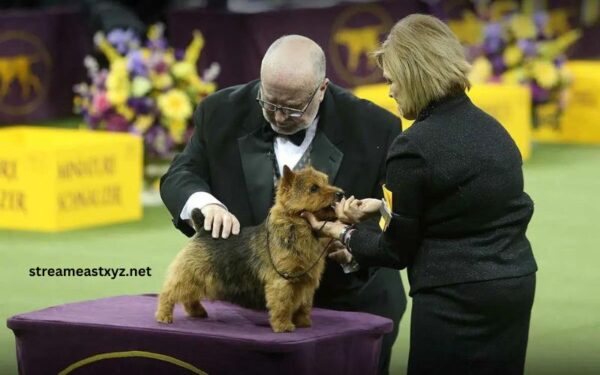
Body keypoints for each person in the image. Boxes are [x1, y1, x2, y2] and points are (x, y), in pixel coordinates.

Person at [302, 14, 538, 375]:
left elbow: (396, 251)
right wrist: (384, 207)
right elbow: (462, 207)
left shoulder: (413, 147)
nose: (390, 91)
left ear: (413, 77)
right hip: (514, 285)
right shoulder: (494, 131)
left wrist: (342, 232)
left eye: (393, 80)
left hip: (454, 298)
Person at [160, 34, 406, 374]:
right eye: (269, 102)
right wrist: (203, 203)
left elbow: (397, 216)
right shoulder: (218, 111)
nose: (277, 116)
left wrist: (358, 248)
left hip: (351, 303)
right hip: (247, 306)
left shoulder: (377, 127)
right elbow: (180, 173)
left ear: (322, 88)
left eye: (292, 108)